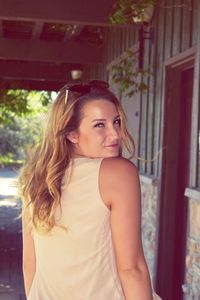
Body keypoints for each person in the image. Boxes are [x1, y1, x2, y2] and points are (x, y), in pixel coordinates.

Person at [18, 80, 158, 300]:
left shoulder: (34, 179)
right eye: (99, 125)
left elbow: (29, 265)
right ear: (72, 134)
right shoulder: (118, 173)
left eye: (116, 122)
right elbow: (132, 270)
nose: (115, 134)